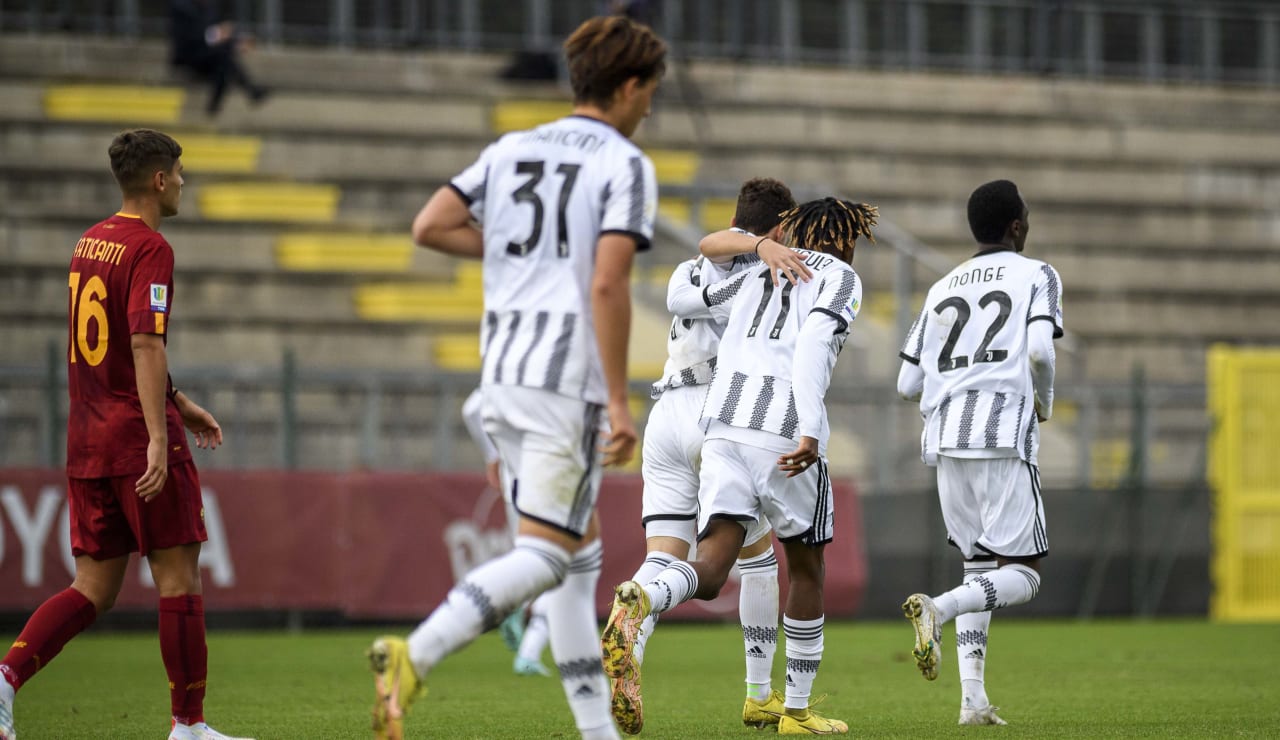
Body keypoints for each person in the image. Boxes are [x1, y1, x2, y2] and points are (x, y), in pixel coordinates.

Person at [366, 16, 667, 740]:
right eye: (650, 92)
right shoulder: (624, 164)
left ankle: (599, 733)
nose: (650, 106)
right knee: (544, 555)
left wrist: (514, 261)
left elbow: (429, 225)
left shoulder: (510, 148)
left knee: (577, 556)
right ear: (627, 87)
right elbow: (606, 285)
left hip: (501, 372)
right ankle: (417, 653)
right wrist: (621, 401)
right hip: (565, 381)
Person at [0, 130, 250, 740]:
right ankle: (188, 726)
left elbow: (109, 345)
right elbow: (143, 340)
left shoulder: (90, 241)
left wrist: (178, 400)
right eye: (181, 174)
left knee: (93, 586)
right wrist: (160, 437)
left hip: (87, 435)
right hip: (136, 436)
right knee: (178, 577)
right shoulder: (151, 248)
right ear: (160, 180)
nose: (185, 184)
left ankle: (3, 679)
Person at [603, 197, 878, 736]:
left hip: (719, 425)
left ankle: (647, 597)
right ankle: (795, 711)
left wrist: (759, 247)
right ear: (845, 240)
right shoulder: (841, 276)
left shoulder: (756, 270)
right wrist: (811, 428)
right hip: (778, 429)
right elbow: (816, 345)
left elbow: (696, 284)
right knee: (805, 565)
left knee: (709, 570)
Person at [608, 177, 797, 735]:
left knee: (664, 555)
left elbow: (694, 274)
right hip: (723, 413)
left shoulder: (690, 268)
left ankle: (631, 635)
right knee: (759, 557)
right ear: (780, 226)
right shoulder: (770, 270)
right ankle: (760, 694)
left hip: (666, 413)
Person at [895, 179, 1063, 727]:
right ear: (1016, 226)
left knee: (979, 569)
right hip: (1002, 433)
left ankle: (971, 701)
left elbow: (905, 383)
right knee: (1027, 573)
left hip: (945, 438)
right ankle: (937, 609)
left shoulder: (942, 286)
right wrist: (1045, 403)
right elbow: (1038, 350)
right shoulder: (1037, 273)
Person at [460, 387, 554, 678]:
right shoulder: (548, 362)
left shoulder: (506, 360)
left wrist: (492, 455)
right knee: (561, 567)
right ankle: (527, 649)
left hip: (514, 476)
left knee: (531, 558)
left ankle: (516, 601)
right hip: (550, 472)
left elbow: (471, 407)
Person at [169, 0, 268, 115]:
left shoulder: (211, 7)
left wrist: (237, 40)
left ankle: (217, 105)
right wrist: (217, 35)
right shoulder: (181, 7)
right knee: (225, 59)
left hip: (210, 56)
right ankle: (250, 91)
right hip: (189, 56)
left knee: (225, 63)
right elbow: (190, 37)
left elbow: (221, 31)